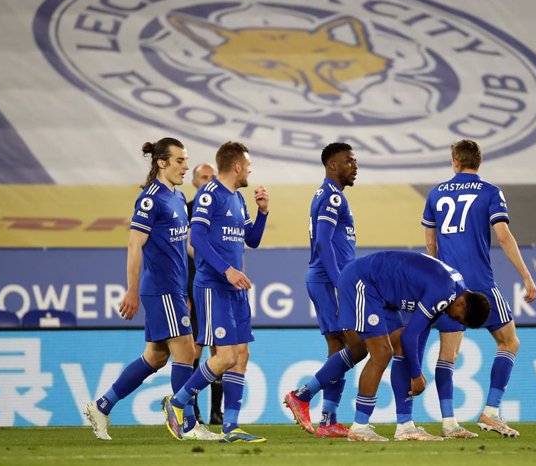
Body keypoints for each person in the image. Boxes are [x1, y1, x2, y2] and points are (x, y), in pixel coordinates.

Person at [84, 138, 220, 441]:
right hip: (159, 288)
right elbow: (135, 244)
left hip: (173, 288)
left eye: (186, 161)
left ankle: (102, 406)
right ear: (162, 163)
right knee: (186, 351)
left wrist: (219, 267)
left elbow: (185, 245)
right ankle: (186, 424)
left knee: (156, 357)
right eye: (180, 161)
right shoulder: (151, 199)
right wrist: (131, 290)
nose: (186, 167)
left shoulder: (177, 197)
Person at [421, 139, 536, 438]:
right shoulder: (490, 192)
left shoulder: (436, 193)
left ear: (455, 162)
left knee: (447, 355)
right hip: (480, 283)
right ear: (478, 161)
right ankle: (491, 412)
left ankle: (448, 423)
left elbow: (431, 245)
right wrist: (526, 276)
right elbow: (503, 237)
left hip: (447, 285)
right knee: (509, 342)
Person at [162, 141, 270, 443]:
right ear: (237, 166)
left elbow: (253, 239)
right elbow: (196, 237)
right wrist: (227, 271)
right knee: (223, 357)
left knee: (241, 355)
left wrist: (262, 212)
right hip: (213, 286)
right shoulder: (210, 195)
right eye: (247, 164)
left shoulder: (237, 198)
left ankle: (231, 427)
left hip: (234, 288)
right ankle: (178, 403)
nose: (250, 170)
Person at [331, 251, 490, 441]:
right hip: (364, 281)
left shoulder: (457, 286)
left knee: (399, 348)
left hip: (380, 289)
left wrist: (416, 366)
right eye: (457, 317)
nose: (451, 318)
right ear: (462, 304)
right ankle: (359, 426)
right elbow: (410, 335)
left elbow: (421, 331)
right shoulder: (445, 291)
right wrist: (416, 375)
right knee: (381, 353)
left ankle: (405, 425)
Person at [284, 143, 357, 439]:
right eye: (349, 161)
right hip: (328, 279)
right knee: (358, 346)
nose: (355, 166)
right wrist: (341, 282)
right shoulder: (330, 197)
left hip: (326, 278)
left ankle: (328, 420)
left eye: (355, 161)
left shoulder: (331, 195)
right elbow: (324, 243)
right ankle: (302, 395)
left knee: (337, 350)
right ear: (332, 166)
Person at [186, 162, 224, 425]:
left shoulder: (223, 206)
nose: (209, 180)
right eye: (204, 177)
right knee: (194, 348)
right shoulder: (186, 209)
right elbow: (184, 249)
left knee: (219, 348)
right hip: (193, 285)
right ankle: (193, 408)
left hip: (220, 283)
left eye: (213, 176)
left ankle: (215, 411)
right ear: (194, 182)